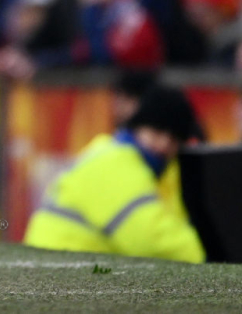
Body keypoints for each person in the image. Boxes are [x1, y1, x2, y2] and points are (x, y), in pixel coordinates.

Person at [24, 85, 205, 263]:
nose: (164, 144)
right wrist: (210, 254)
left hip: (59, 265)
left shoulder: (117, 154)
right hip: (60, 269)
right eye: (157, 132)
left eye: (174, 139)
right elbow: (150, 239)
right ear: (137, 127)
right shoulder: (118, 162)